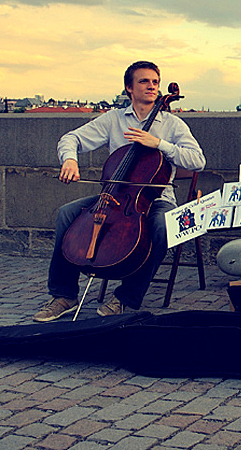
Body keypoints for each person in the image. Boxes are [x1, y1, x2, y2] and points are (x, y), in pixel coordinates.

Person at [33, 61, 206, 322]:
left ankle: (127, 296)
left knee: (161, 225)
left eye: (155, 82)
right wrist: (69, 159)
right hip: (115, 196)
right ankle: (63, 294)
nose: (151, 86)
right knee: (66, 214)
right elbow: (71, 138)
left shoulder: (172, 124)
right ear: (129, 88)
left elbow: (198, 161)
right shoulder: (113, 119)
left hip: (157, 198)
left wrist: (159, 143)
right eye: (144, 81)